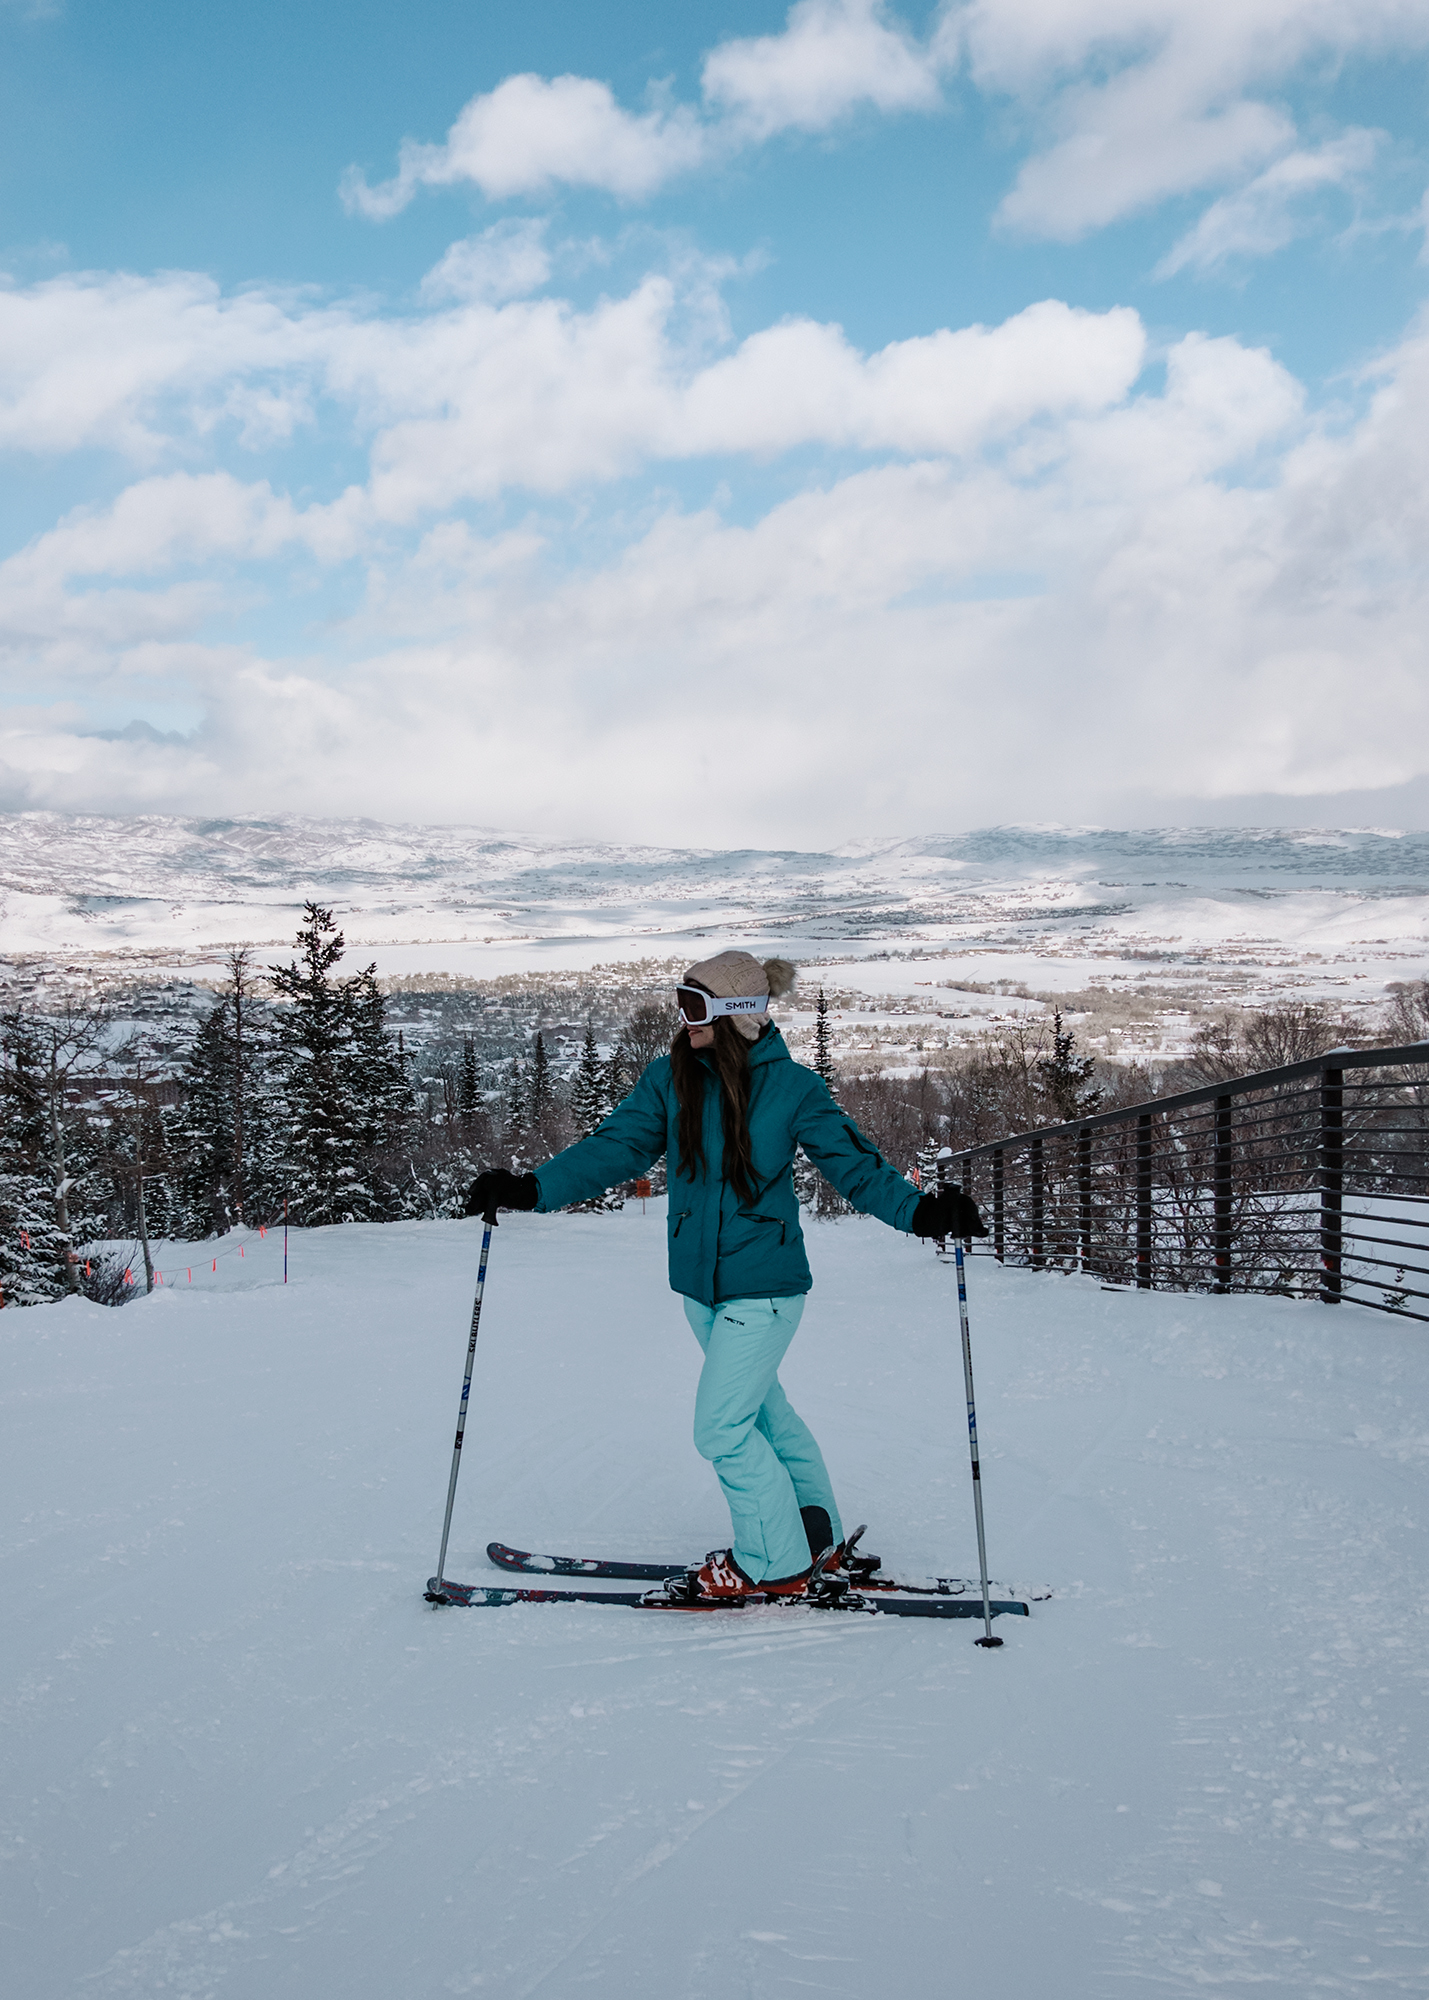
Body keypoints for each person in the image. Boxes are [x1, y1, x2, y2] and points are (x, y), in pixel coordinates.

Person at [465, 950, 985, 1601]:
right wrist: (529, 1188)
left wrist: (921, 1213)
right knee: (767, 1417)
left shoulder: (794, 1089)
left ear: (736, 1014)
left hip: (764, 1291)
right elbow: (616, 1147)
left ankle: (773, 1563)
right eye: (679, 1003)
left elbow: (855, 1168)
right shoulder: (669, 1080)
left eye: (694, 1006)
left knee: (720, 1427)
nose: (683, 1021)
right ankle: (813, 1540)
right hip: (700, 1291)